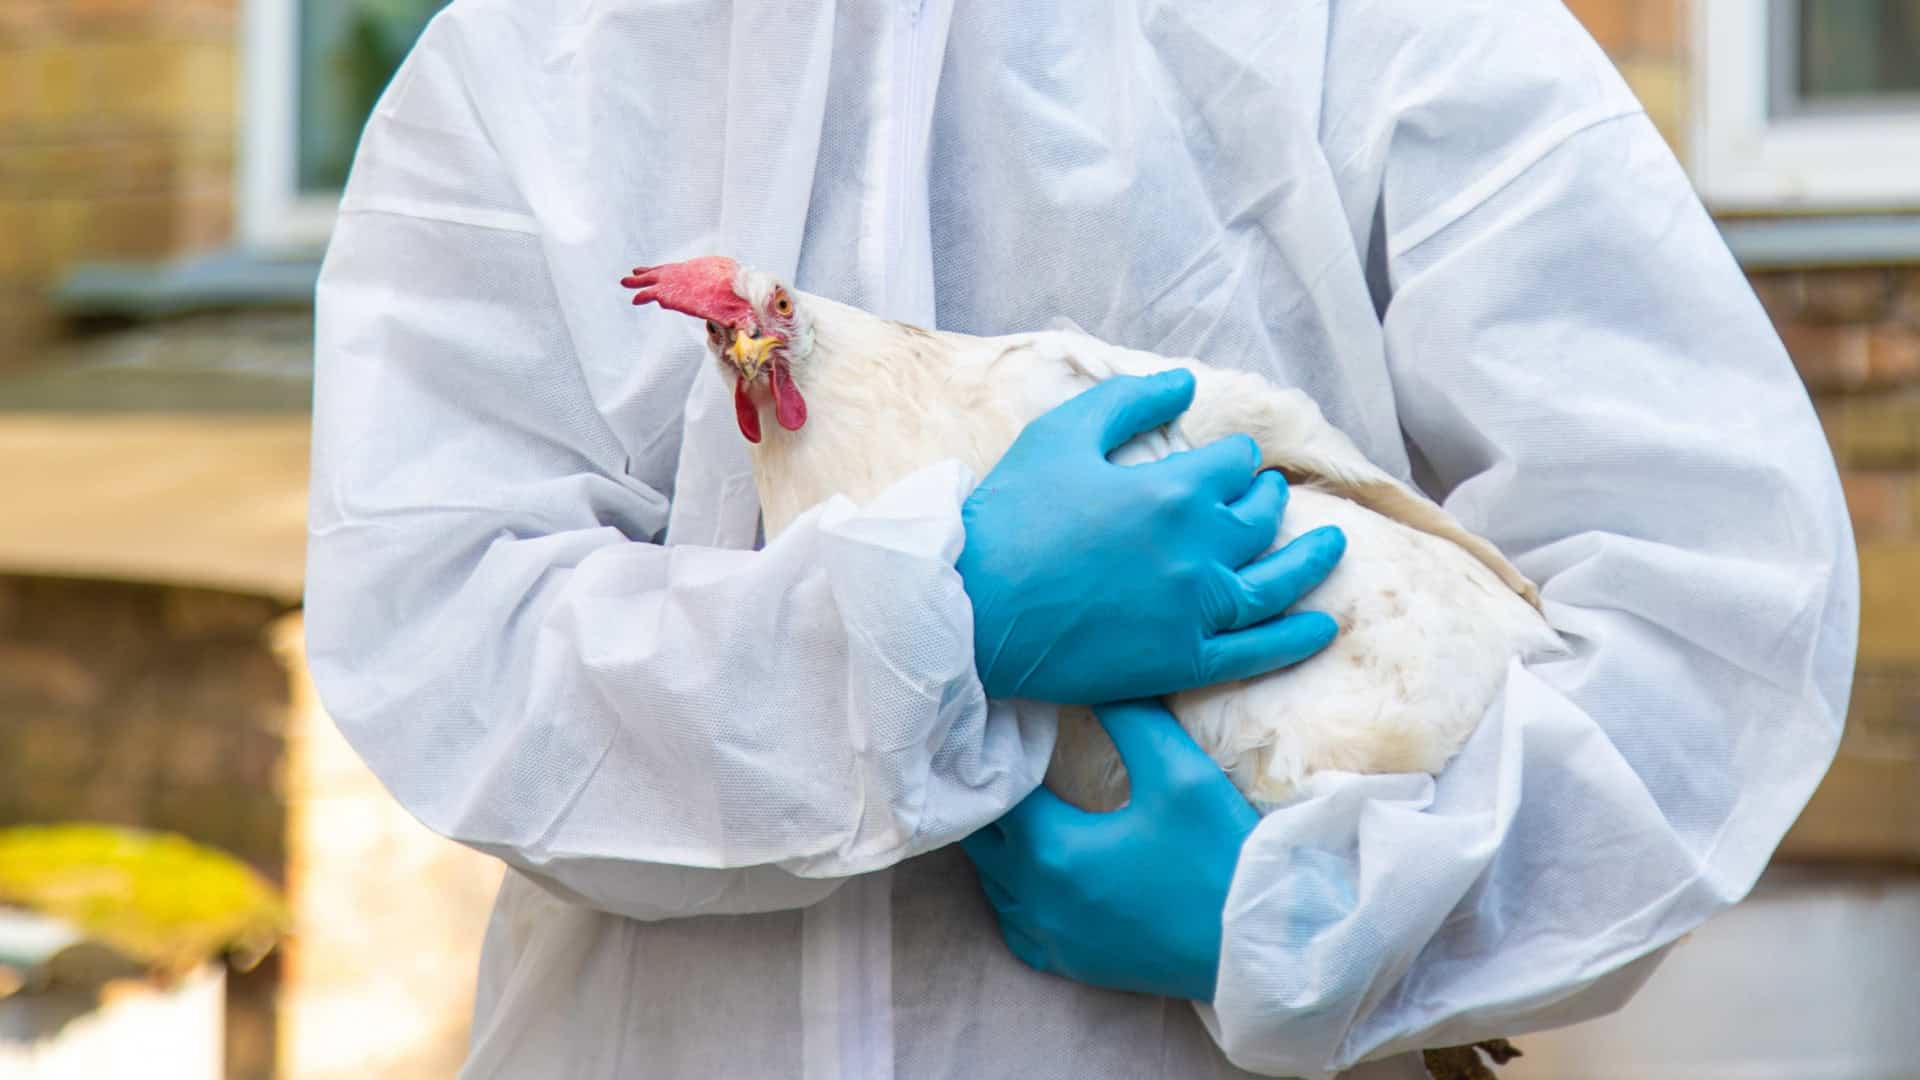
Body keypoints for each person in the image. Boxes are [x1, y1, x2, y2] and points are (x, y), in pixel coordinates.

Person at [303, 1, 1859, 1076]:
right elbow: (448, 631)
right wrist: (936, 623)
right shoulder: (527, 65)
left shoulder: (1377, 25)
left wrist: (1321, 913)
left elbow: (1708, 598)